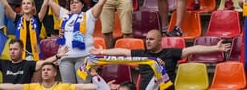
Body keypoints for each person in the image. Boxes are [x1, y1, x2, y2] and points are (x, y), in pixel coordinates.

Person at [94, 30, 231, 90]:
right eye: (146, 39)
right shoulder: (141, 53)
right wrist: (102, 51)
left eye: (151, 39)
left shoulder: (170, 53)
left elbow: (193, 49)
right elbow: (122, 52)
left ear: (160, 41)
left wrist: (215, 48)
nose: (148, 41)